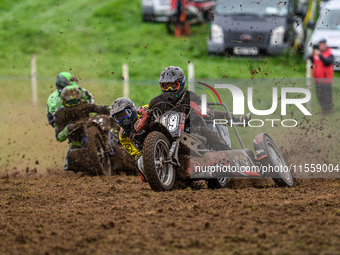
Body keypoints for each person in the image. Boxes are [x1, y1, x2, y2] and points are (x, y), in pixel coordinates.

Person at [54, 86, 109, 170]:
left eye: (76, 101)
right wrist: (67, 129)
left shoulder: (85, 105)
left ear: (80, 99)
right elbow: (59, 137)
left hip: (92, 132)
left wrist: (110, 109)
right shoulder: (60, 114)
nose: (74, 105)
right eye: (71, 102)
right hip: (76, 144)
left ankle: (107, 146)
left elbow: (98, 108)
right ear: (63, 102)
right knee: (73, 158)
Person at [110, 97, 149, 181]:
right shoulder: (123, 135)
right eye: (119, 118)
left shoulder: (144, 110)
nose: (124, 119)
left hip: (162, 135)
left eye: (125, 114)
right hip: (148, 151)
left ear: (132, 110)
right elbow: (136, 154)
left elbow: (158, 106)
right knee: (140, 163)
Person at [311, 39, 334, 114]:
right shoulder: (316, 54)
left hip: (326, 79)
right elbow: (311, 59)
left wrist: (320, 55)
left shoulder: (329, 54)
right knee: (319, 95)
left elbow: (328, 62)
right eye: (320, 45)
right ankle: (324, 109)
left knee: (327, 95)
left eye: (323, 44)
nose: (322, 46)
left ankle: (328, 110)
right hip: (317, 79)